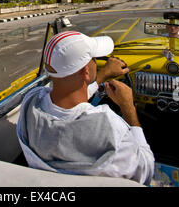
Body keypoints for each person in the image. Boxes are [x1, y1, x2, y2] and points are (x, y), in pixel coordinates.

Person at [17, 30, 155, 185]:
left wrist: (102, 75)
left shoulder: (31, 103)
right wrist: (127, 106)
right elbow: (146, 170)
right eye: (94, 59)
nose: (96, 62)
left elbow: (69, 97)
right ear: (86, 72)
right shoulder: (109, 128)